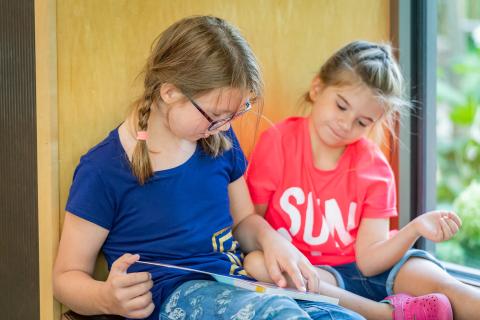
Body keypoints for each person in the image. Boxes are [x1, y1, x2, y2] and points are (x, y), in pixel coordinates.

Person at [52, 16, 365, 320]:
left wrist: (272, 240)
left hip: (236, 285)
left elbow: (243, 220)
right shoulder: (104, 169)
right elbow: (66, 277)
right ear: (170, 91)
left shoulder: (218, 139)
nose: (223, 127)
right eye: (215, 115)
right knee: (279, 315)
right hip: (172, 298)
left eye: (232, 116)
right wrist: (106, 299)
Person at [245, 40, 480, 320]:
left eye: (362, 122)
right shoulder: (278, 143)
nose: (346, 124)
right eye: (341, 106)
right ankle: (387, 314)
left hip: (383, 268)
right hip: (319, 275)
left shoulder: (374, 167)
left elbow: (369, 263)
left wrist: (415, 228)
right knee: (257, 264)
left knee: (448, 287)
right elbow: (248, 225)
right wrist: (273, 243)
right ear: (317, 88)